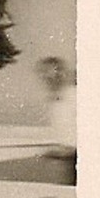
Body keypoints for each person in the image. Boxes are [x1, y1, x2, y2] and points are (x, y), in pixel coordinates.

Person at [37, 55, 77, 185]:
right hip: (68, 160)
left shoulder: (74, 95)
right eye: (44, 73)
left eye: (52, 72)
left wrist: (69, 149)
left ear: (61, 73)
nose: (47, 78)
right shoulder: (54, 99)